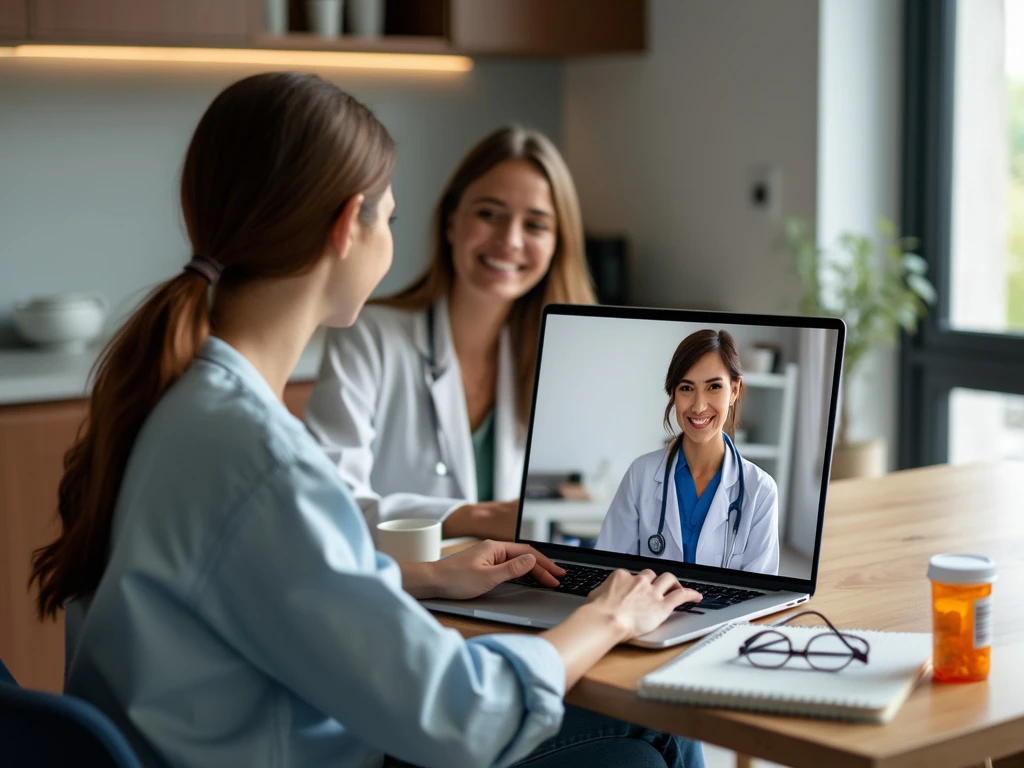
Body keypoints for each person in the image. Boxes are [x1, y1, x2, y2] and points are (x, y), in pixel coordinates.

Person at [28, 73, 705, 768]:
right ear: (349, 225)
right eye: (390, 216)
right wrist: (610, 617)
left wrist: (424, 577)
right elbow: (463, 717)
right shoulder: (261, 457)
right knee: (653, 731)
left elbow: (264, 582)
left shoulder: (183, 400)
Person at [304, 125, 595, 542]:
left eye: (535, 225)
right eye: (489, 214)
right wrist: (477, 518)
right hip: (406, 592)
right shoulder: (368, 335)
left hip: (520, 589)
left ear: (557, 245)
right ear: (451, 223)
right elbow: (330, 502)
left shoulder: (561, 358)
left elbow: (581, 503)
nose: (509, 240)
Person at [597, 329, 780, 574]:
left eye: (714, 386)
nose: (699, 405)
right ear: (673, 394)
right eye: (686, 388)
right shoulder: (640, 475)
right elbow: (609, 570)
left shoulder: (760, 490)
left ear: (734, 391)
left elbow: (760, 594)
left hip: (728, 613)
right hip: (648, 612)